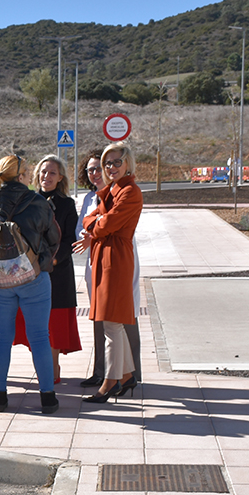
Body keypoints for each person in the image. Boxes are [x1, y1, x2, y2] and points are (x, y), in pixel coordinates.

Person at [0, 155, 60, 414]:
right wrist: (41, 259)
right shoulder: (38, 202)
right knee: (40, 337)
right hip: (33, 277)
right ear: (21, 175)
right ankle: (47, 398)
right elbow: (53, 238)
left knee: (1, 336)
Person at [76, 142, 143, 403]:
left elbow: (105, 224)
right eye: (107, 163)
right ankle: (126, 375)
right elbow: (90, 220)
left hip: (116, 258)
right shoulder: (113, 190)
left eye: (116, 162)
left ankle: (110, 381)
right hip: (105, 255)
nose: (111, 167)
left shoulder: (130, 191)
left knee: (111, 322)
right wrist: (96, 224)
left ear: (128, 163)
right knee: (111, 321)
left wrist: (95, 225)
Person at [34, 155, 81, 383]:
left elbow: (71, 239)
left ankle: (51, 367)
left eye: (52, 172)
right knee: (35, 323)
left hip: (57, 271)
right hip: (31, 272)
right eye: (43, 172)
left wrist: (51, 261)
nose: (47, 176)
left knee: (53, 324)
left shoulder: (66, 204)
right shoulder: (29, 201)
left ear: (60, 177)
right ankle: (44, 366)